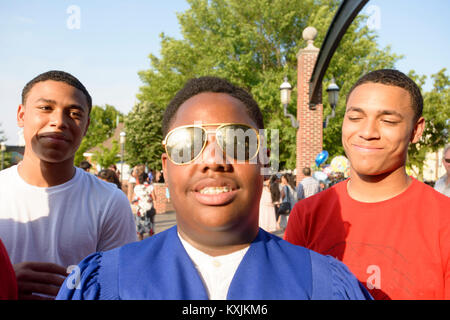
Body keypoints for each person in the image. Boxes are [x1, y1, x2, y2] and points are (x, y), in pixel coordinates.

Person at [57, 76, 371, 300]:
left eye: (237, 141)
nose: (213, 160)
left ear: (264, 160)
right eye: (186, 145)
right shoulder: (103, 284)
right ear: (166, 167)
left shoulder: (326, 286)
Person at [285, 69, 450, 300]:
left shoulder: (444, 220)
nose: (367, 132)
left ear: (416, 130)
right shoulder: (306, 215)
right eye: (355, 118)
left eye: (388, 121)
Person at [0, 70, 137, 300]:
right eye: (45, 108)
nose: (59, 121)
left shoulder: (110, 202)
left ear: (86, 126)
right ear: (21, 115)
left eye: (74, 113)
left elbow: (120, 287)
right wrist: (6, 282)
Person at [133, 171, 157, 240]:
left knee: (140, 229)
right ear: (147, 178)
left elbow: (133, 199)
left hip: (140, 210)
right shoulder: (150, 187)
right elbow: (154, 198)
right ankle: (151, 244)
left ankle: (141, 244)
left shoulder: (136, 188)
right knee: (150, 228)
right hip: (149, 209)